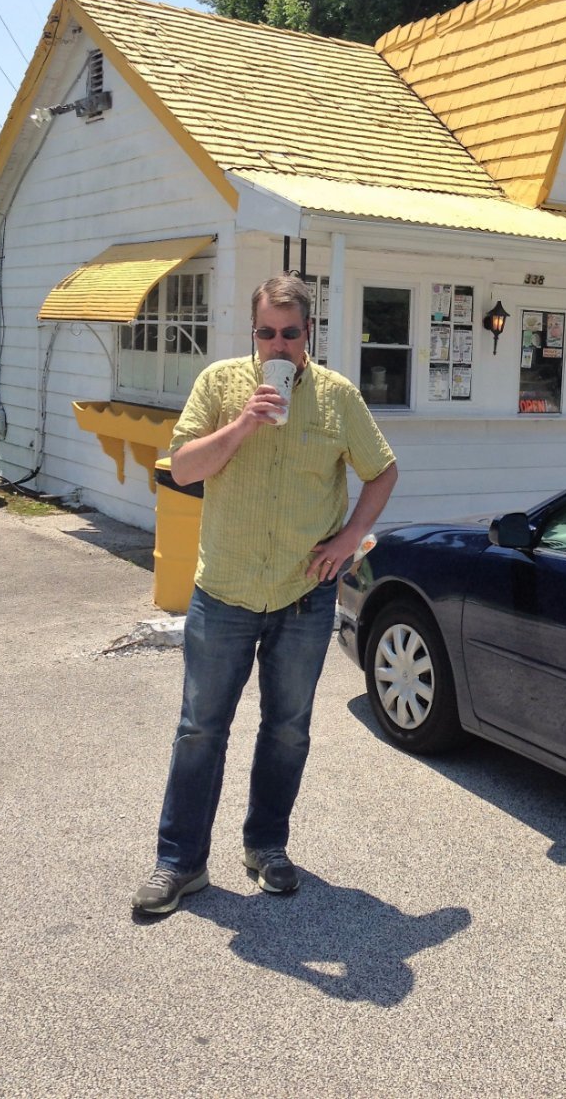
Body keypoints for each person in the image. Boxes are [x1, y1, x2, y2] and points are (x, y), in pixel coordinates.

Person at [132, 274, 397, 915]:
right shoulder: (220, 384)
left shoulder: (338, 398)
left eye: (291, 332)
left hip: (303, 598)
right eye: (266, 332)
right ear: (252, 331)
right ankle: (179, 864)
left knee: (287, 731)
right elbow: (183, 469)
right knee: (200, 731)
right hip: (223, 591)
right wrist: (244, 423)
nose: (278, 344)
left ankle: (266, 847)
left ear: (311, 332)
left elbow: (382, 470)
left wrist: (353, 537)